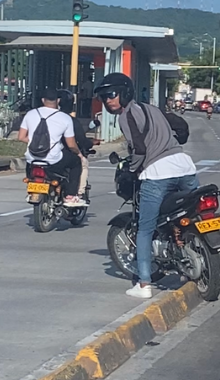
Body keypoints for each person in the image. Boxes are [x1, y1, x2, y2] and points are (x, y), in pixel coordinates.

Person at [93, 72, 198, 299]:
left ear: (124, 93)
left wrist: (133, 169)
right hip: (186, 166)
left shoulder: (126, 116)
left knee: (145, 229)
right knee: (186, 217)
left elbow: (139, 150)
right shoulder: (153, 109)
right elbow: (180, 127)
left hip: (158, 172)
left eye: (111, 95)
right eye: (104, 98)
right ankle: (189, 266)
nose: (108, 101)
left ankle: (144, 284)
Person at [19, 88, 85, 207]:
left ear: (43, 100)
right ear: (58, 100)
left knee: (31, 166)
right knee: (76, 162)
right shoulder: (65, 118)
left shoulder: (31, 114)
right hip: (54, 159)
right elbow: (71, 145)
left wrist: (35, 142)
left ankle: (31, 188)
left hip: (32, 158)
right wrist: (78, 153)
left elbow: (21, 137)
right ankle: (70, 196)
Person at [58, 89, 93, 200]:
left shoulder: (39, 116)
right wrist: (87, 146)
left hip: (39, 156)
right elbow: (78, 141)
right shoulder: (70, 120)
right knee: (81, 163)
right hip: (61, 156)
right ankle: (77, 194)